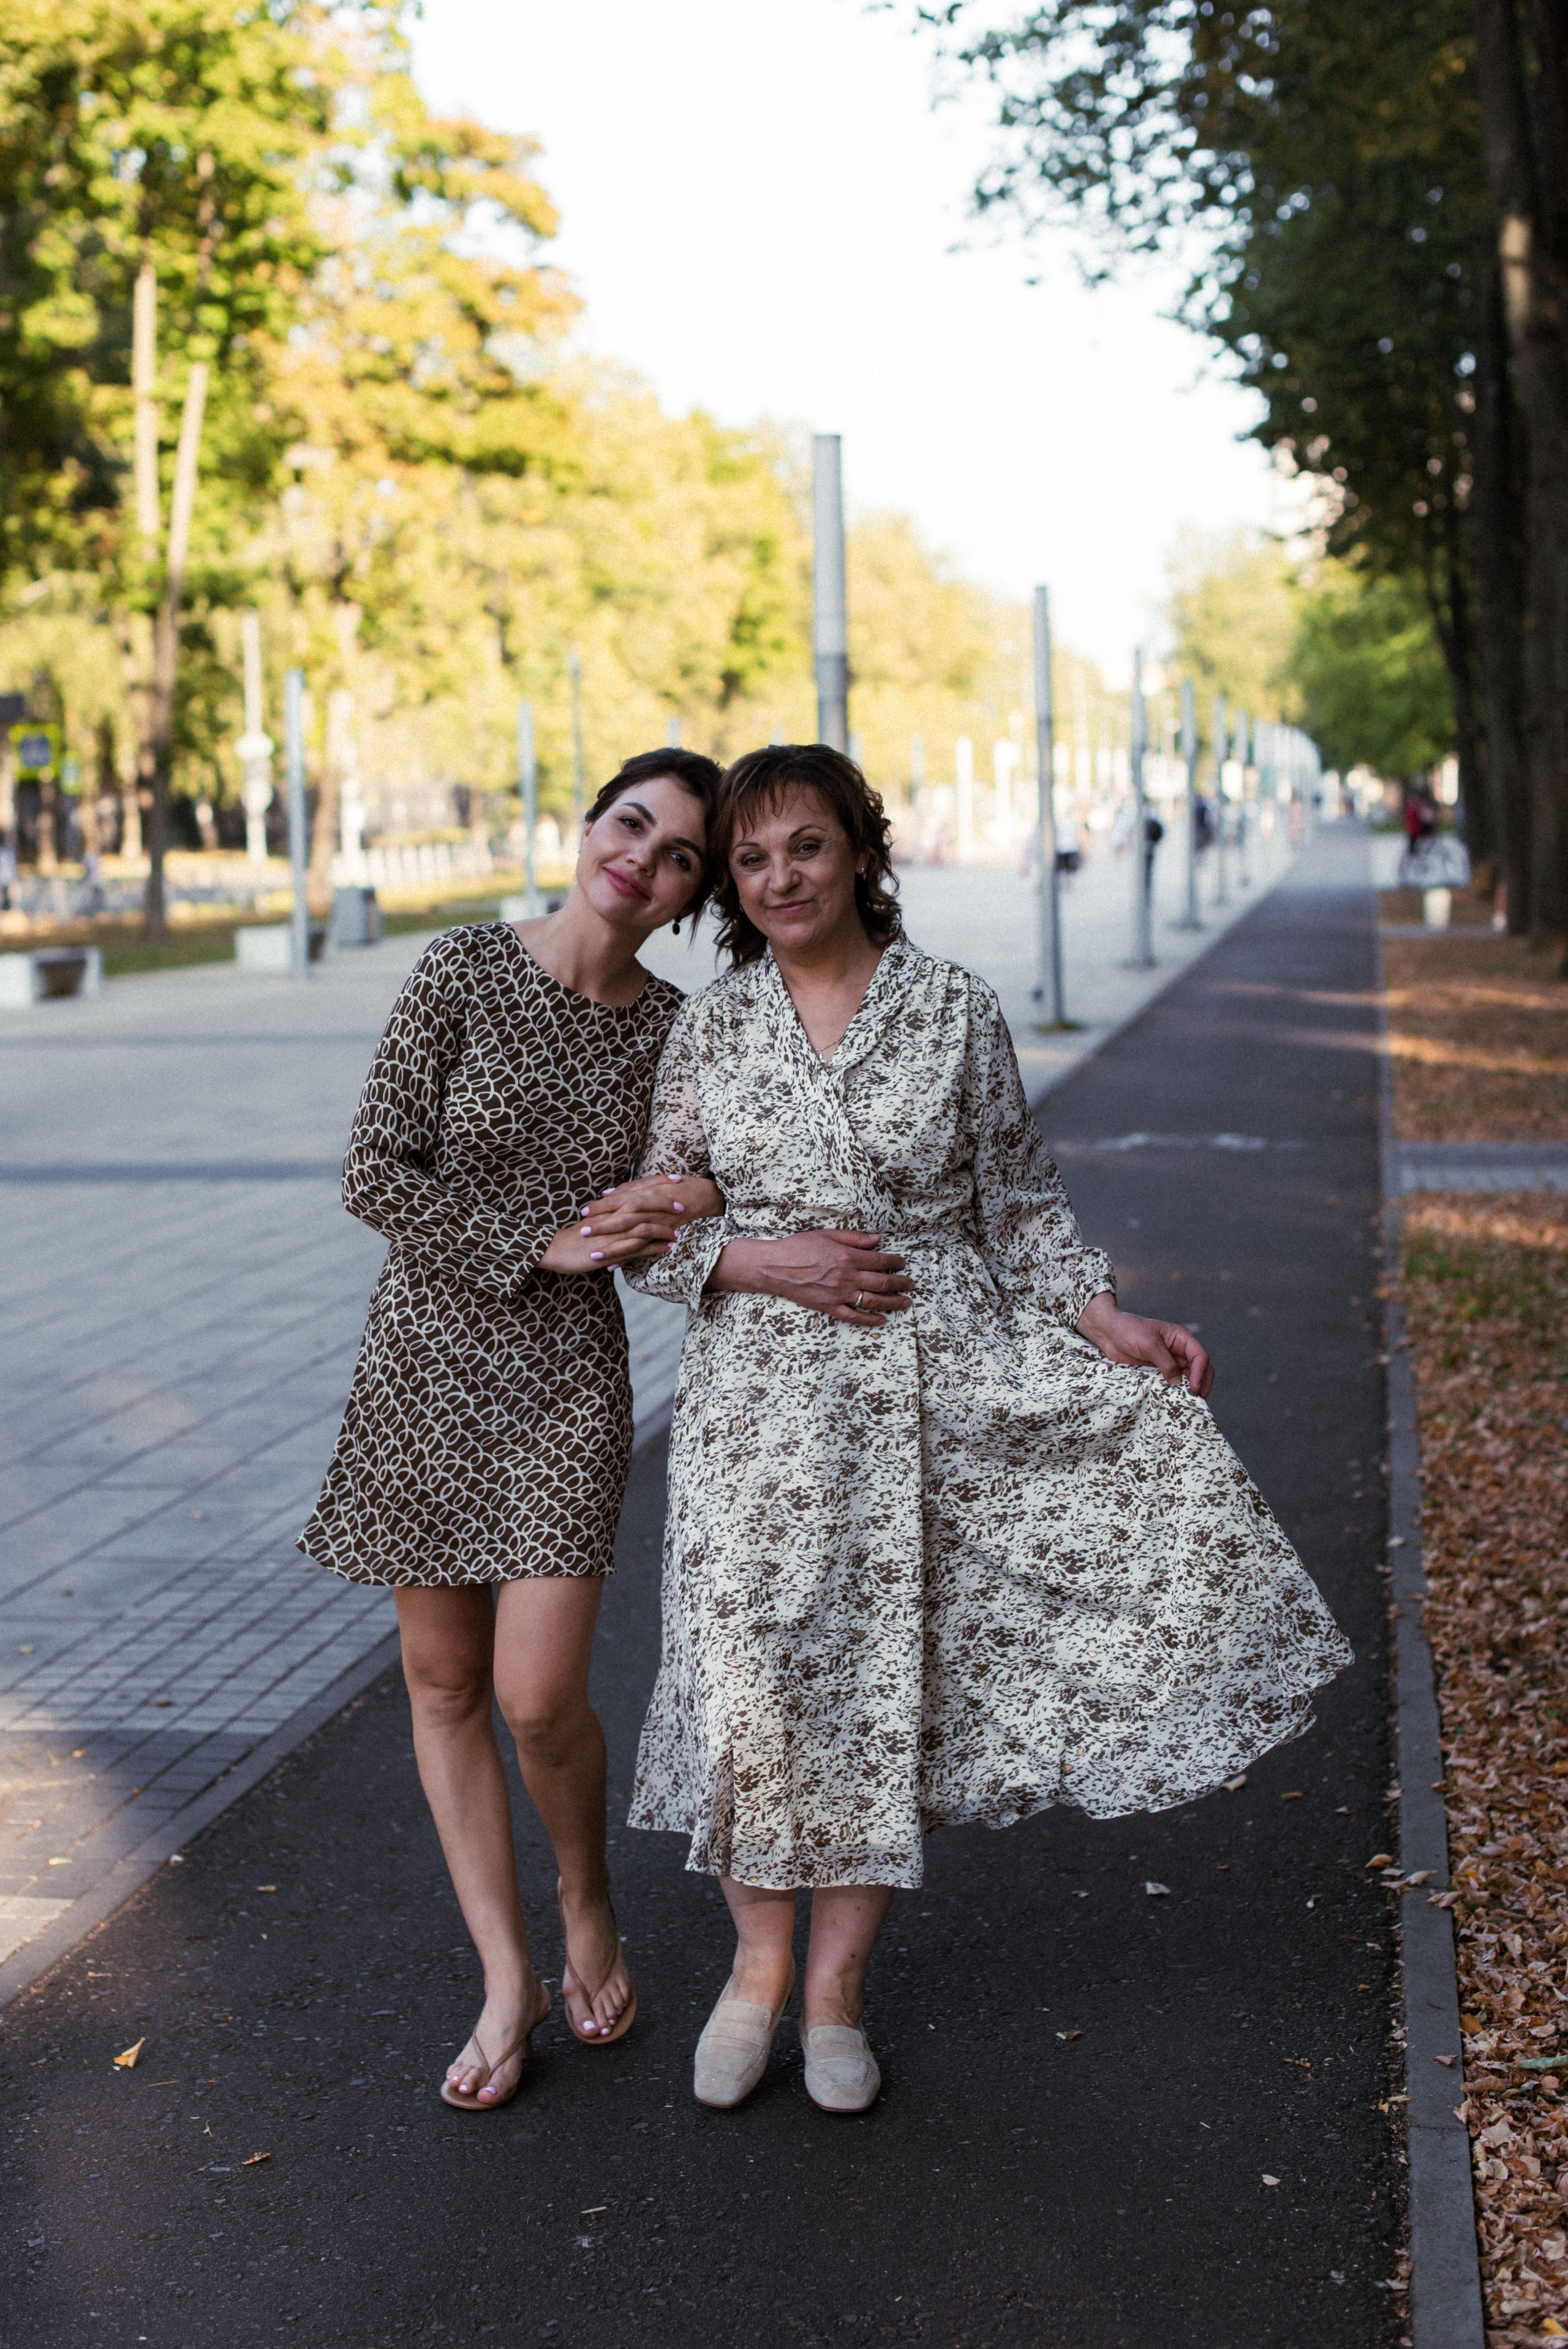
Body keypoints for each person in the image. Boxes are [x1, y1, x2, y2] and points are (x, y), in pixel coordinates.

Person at [626, 743, 1351, 2116]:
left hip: (936, 1387)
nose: (780, 878)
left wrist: (1108, 1319)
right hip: (757, 1408)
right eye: (751, 859)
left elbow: (1018, 1206)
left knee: (881, 1682)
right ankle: (755, 1971)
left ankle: (835, 1995)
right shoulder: (712, 1026)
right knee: (747, 1675)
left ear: (860, 850)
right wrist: (753, 1258)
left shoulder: (953, 1005)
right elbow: (658, 1222)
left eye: (806, 846)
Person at [298, 748, 725, 2113]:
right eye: (630, 825)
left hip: (564, 1382)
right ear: (589, 824)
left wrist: (676, 1205)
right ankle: (505, 1978)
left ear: (690, 897)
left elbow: (698, 1182)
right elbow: (373, 1167)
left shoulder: (675, 1032)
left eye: (678, 857)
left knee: (537, 1698)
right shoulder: (462, 969)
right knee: (442, 1687)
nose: (641, 861)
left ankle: (585, 1898)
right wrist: (535, 1241)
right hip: (422, 1362)